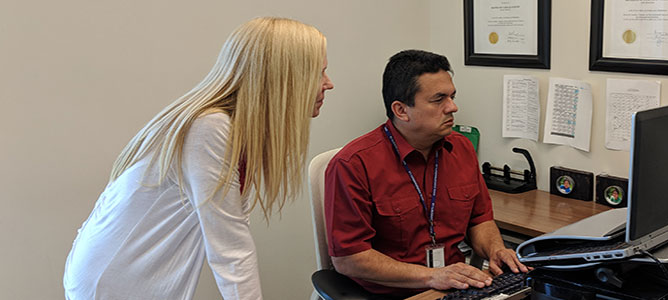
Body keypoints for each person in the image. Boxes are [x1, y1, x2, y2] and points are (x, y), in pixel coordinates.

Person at [63, 17, 334, 300]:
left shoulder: (236, 131)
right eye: (319, 73)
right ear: (285, 77)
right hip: (115, 282)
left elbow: (232, 241)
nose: (329, 84)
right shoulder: (211, 128)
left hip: (124, 274)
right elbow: (230, 252)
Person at [324, 49, 528, 299]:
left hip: (456, 287)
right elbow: (349, 259)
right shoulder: (352, 164)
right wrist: (431, 276)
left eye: (452, 96)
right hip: (394, 293)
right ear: (401, 110)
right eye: (438, 99)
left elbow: (479, 219)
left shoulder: (461, 148)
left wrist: (496, 249)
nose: (452, 107)